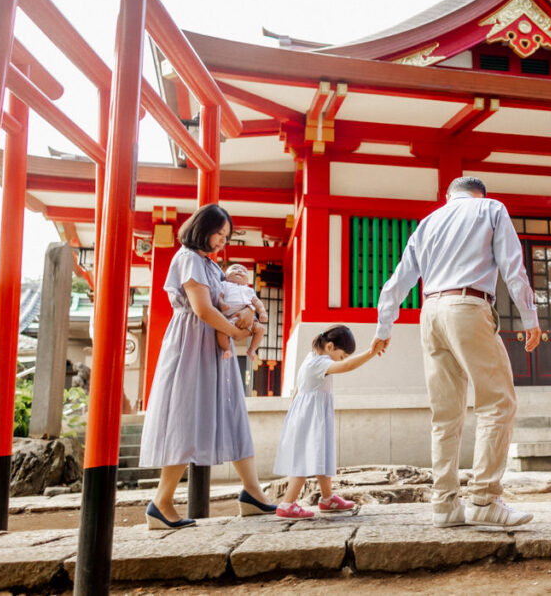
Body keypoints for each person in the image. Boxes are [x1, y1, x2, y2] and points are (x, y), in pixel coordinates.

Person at [374, 176, 541, 528]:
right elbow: (513, 267)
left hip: (430, 312)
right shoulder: (491, 209)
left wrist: (383, 328)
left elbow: (398, 280)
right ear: (481, 194)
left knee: (445, 414)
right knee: (498, 403)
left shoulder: (428, 222)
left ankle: (445, 506)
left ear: (448, 196)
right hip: (467, 306)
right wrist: (530, 318)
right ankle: (483, 497)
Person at [138, 203, 278, 529]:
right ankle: (161, 501)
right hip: (192, 345)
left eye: (226, 237)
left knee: (232, 412)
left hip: (215, 346)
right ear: (204, 227)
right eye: (219, 233)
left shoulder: (212, 266)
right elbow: (202, 309)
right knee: (186, 417)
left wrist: (245, 316)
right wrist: (237, 332)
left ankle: (252, 492)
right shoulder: (188, 258)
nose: (222, 241)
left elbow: (225, 303)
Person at [272, 325, 384, 518]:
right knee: (304, 459)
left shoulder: (311, 358)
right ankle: (287, 504)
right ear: (330, 347)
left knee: (320, 455)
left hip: (309, 415)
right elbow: (348, 367)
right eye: (342, 355)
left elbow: (298, 389)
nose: (342, 360)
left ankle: (327, 498)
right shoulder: (320, 363)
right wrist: (372, 352)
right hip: (310, 418)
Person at [217, 263, 267, 361]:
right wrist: (222, 304)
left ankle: (252, 349)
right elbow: (220, 297)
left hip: (250, 319)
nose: (239, 271)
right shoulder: (224, 285)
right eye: (235, 269)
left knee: (260, 329)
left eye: (244, 271)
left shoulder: (249, 290)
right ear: (226, 276)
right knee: (221, 330)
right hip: (230, 317)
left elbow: (257, 302)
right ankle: (227, 349)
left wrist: (262, 312)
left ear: (247, 280)